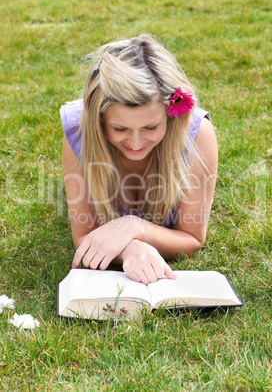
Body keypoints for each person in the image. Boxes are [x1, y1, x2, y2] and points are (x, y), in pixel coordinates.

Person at [61, 34, 218, 285]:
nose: (136, 143)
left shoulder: (197, 136)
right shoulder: (79, 131)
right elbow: (84, 236)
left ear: (170, 116)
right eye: (120, 129)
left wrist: (135, 227)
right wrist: (130, 249)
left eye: (151, 127)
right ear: (98, 120)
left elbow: (192, 238)